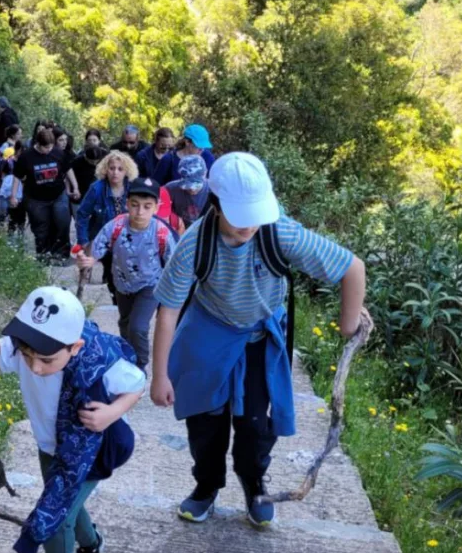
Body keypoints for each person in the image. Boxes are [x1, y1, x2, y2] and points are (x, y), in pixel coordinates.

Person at [151, 152, 366, 528]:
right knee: (205, 421)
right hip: (208, 332)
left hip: (258, 337)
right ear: (215, 205)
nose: (249, 224)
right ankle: (206, 487)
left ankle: (254, 484)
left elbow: (351, 267)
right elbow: (167, 310)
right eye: (239, 214)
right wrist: (160, 376)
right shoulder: (194, 244)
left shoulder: (276, 231)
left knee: (255, 424)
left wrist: (349, 325)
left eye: (254, 213)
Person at [0, 286, 145, 553]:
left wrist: (109, 414)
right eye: (28, 355)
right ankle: (91, 544)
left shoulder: (101, 361)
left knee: (57, 510)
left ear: (74, 347)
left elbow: (136, 385)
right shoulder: (27, 348)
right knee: (68, 503)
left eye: (47, 360)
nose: (34, 367)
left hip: (93, 449)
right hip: (50, 447)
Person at [77, 177, 176, 370]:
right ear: (127, 204)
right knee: (125, 323)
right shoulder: (116, 226)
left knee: (138, 327)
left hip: (150, 285)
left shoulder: (161, 232)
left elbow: (174, 263)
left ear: (156, 208)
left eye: (147, 206)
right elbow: (96, 249)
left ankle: (139, 367)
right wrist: (88, 260)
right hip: (122, 284)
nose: (140, 212)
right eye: (135, 205)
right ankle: (127, 356)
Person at [75, 150, 137, 303]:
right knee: (111, 274)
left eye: (120, 169)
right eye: (112, 168)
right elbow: (82, 214)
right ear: (105, 169)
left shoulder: (133, 189)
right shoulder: (97, 188)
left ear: (126, 171)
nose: (115, 172)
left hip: (128, 239)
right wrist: (83, 240)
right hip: (103, 239)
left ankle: (126, 301)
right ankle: (117, 301)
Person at [13, 127, 71, 263]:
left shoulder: (57, 152)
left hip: (58, 195)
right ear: (38, 144)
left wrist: (73, 187)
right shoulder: (26, 157)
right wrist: (13, 196)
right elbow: (17, 176)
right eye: (46, 147)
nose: (49, 150)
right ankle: (43, 255)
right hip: (36, 199)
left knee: (63, 223)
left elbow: (68, 169)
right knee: (41, 228)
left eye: (51, 146)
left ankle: (61, 254)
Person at [152, 124, 216, 185]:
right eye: (198, 146)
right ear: (187, 142)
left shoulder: (207, 157)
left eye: (204, 146)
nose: (201, 149)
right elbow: (155, 184)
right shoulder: (169, 160)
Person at [164, 154, 210, 231]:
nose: (192, 189)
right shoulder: (171, 189)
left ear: (205, 173)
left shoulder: (214, 190)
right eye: (188, 186)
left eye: (196, 185)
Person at [0, 160, 26, 238]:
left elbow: (2, 194)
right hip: (19, 199)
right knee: (21, 218)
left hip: (10, 200)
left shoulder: (6, 179)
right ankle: (21, 233)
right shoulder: (18, 178)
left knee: (12, 219)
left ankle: (10, 234)